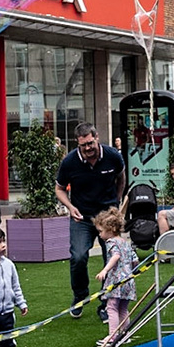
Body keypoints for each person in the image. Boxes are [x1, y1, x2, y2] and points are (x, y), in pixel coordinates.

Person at [54, 123, 125, 317]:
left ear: (97, 137)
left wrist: (116, 203)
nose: (87, 148)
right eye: (83, 145)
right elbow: (59, 188)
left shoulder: (113, 156)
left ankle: (105, 302)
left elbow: (121, 178)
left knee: (111, 258)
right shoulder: (69, 162)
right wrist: (70, 207)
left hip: (107, 217)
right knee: (78, 257)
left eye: (90, 143)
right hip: (82, 217)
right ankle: (80, 297)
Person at [92, 207, 138, 347]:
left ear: (110, 230)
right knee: (123, 308)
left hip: (117, 279)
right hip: (128, 279)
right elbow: (135, 260)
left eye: (101, 231)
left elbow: (116, 256)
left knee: (111, 307)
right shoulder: (126, 241)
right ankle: (125, 333)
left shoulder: (111, 242)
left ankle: (112, 336)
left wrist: (105, 270)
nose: (100, 234)